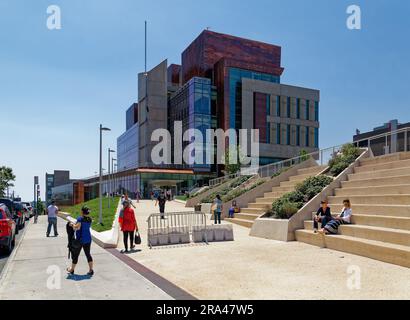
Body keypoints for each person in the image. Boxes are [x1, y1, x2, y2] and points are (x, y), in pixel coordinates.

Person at [67, 206, 94, 276]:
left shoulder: (80, 218)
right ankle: (91, 270)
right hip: (88, 239)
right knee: (88, 254)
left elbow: (77, 228)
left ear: (82, 212)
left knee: (76, 255)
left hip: (80, 240)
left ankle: (72, 270)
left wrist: (72, 225)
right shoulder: (90, 219)